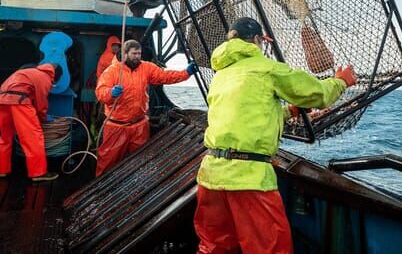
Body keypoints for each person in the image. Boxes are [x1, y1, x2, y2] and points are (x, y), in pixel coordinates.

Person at [194, 17, 357, 254]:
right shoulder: (267, 68)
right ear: (258, 40)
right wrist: (341, 81)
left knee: (214, 247)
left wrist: (289, 111)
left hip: (210, 175)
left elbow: (249, 112)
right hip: (248, 178)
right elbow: (318, 93)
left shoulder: (221, 75)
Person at [95, 39, 198, 177]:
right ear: (125, 54)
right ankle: (101, 188)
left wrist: (186, 73)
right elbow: (100, 93)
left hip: (139, 126)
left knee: (140, 163)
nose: (138, 56)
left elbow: (165, 76)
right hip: (116, 127)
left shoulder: (146, 67)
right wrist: (110, 93)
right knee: (107, 162)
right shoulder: (112, 71)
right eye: (134, 53)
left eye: (139, 53)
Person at [0, 63, 63, 182]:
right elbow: (41, 103)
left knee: (3, 138)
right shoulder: (45, 77)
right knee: (32, 138)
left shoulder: (30, 72)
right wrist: (43, 118)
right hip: (19, 102)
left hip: (2, 101)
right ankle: (38, 173)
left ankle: (1, 170)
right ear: (56, 76)